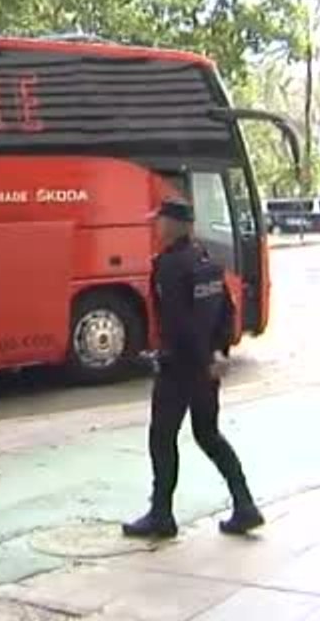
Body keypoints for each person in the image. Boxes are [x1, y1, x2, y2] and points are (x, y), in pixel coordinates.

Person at [122, 198, 262, 540]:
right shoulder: (206, 261)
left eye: (159, 221)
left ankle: (161, 514)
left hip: (181, 367)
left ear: (172, 225)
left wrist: (188, 358)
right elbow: (226, 312)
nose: (156, 227)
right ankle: (244, 504)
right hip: (206, 367)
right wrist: (217, 353)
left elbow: (179, 322)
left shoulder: (169, 266)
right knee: (208, 434)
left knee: (162, 438)